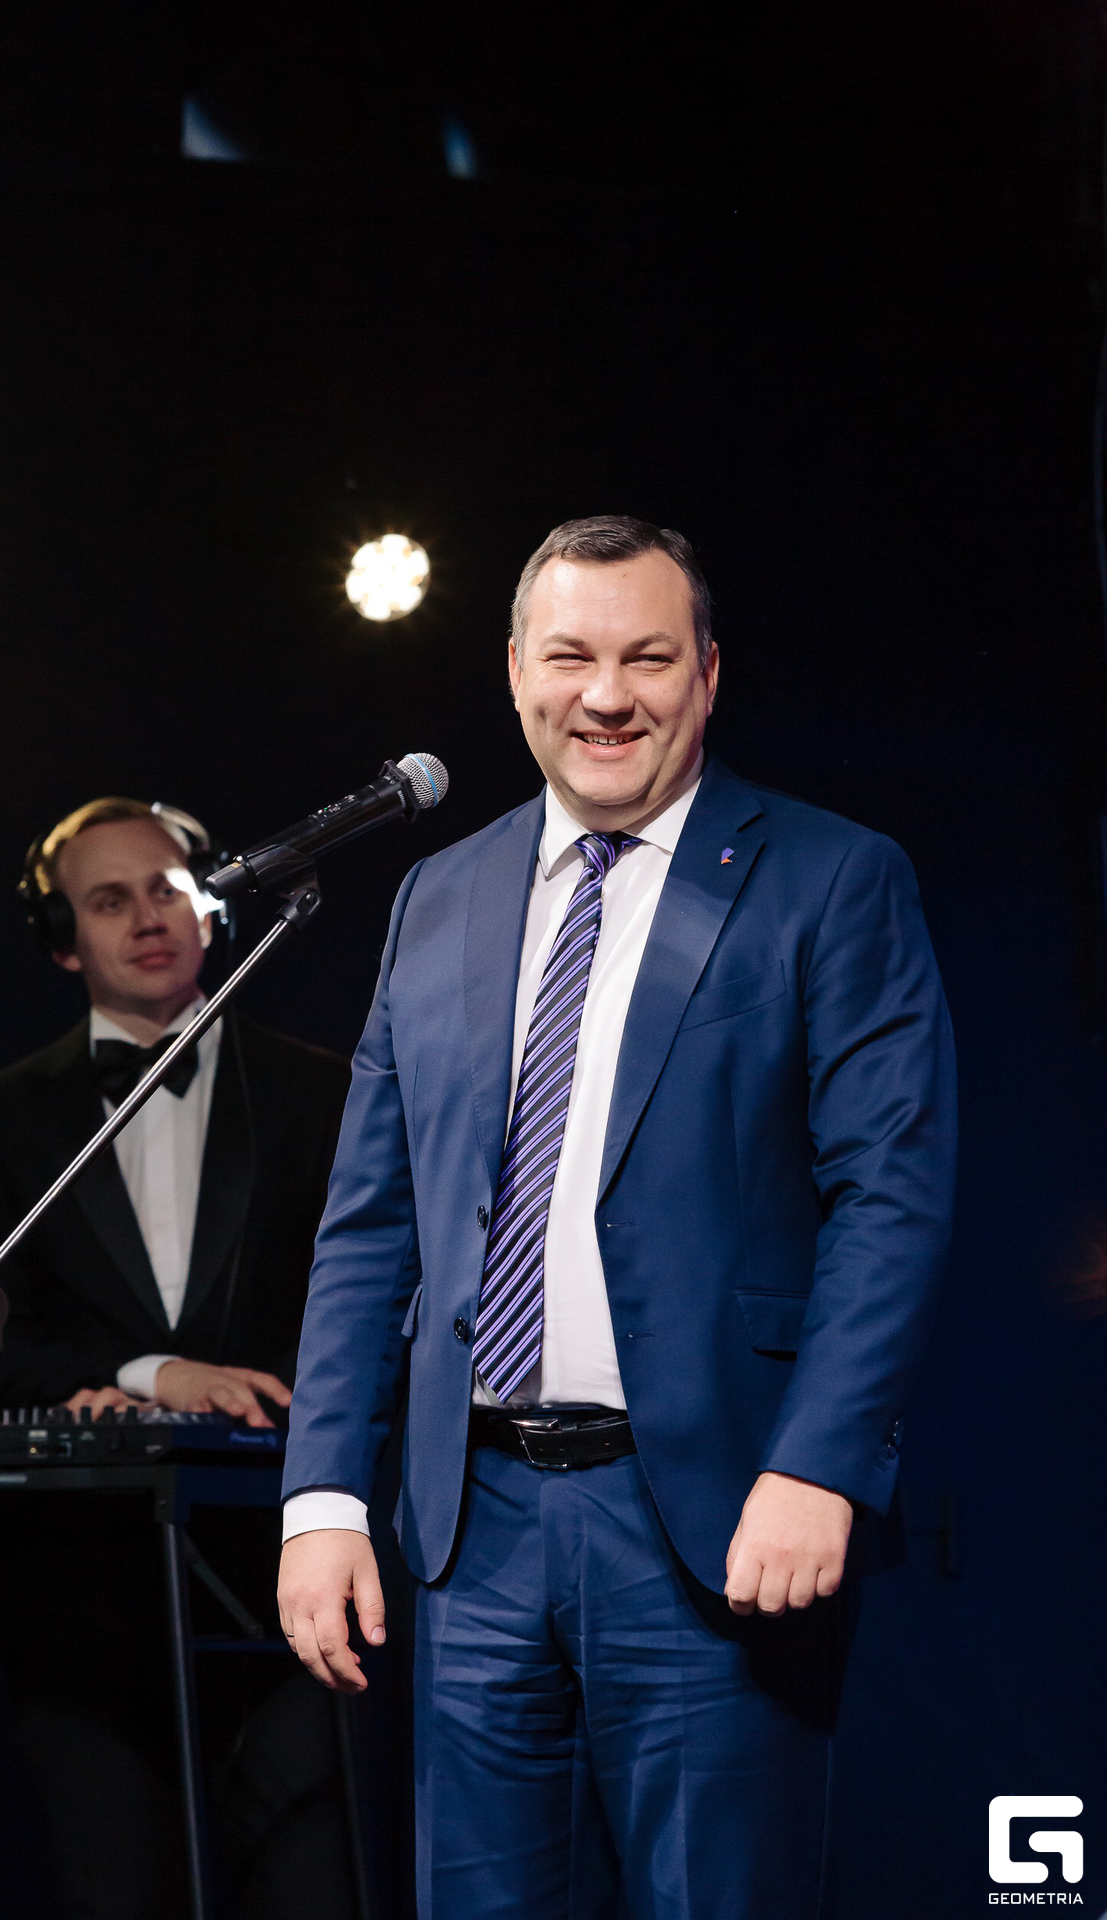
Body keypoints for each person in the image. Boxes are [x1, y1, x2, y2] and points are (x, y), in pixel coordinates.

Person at [277, 516, 957, 1920]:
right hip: (472, 1532)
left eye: (647, 657)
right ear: (514, 670)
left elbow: (889, 1195)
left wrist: (820, 1463)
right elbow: (370, 1228)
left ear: (706, 674)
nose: (605, 696)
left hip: (712, 1517)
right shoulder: (437, 897)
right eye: (569, 657)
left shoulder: (832, 877)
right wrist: (325, 1495)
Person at [0, 796, 352, 1920]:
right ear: (62, 940)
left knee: (310, 1892)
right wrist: (146, 1375)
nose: (148, 918)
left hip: (285, 1577)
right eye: (109, 900)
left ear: (214, 909)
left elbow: (369, 1306)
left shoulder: (323, 1090)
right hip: (81, 1599)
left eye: (168, 888)